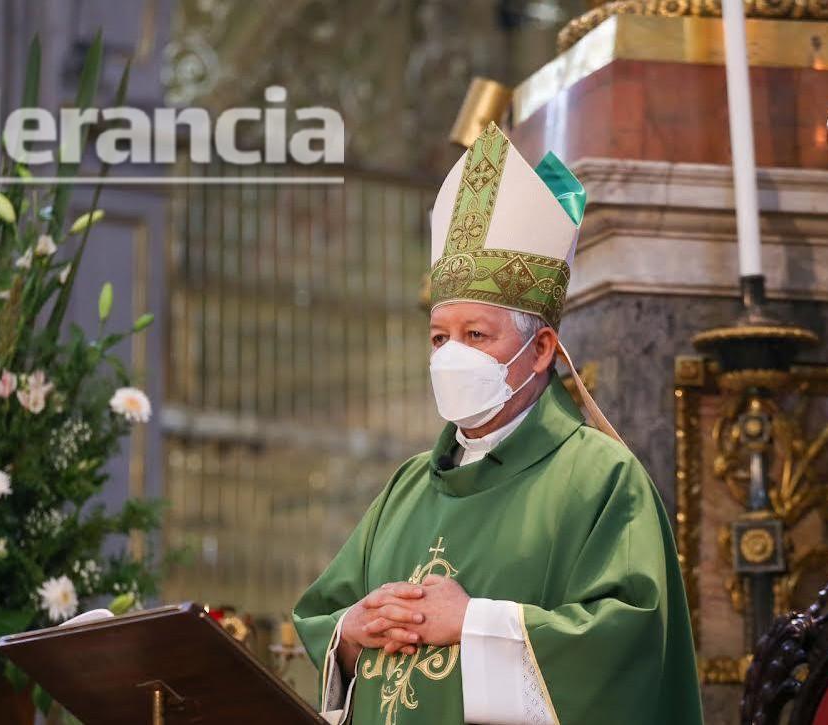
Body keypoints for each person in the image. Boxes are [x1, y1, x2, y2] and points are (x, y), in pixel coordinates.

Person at [292, 123, 703, 725]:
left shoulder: (600, 477)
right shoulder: (406, 488)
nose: (450, 356)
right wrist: (352, 632)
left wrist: (475, 623)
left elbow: (627, 642)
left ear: (540, 351)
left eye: (475, 335)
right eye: (439, 337)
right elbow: (324, 616)